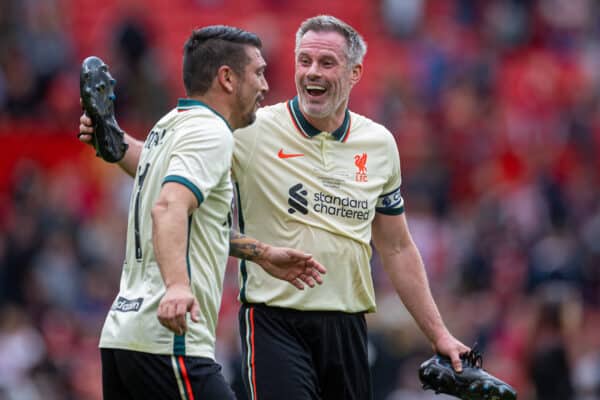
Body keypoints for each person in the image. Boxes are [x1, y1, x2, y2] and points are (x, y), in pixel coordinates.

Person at [80, 15, 468, 400]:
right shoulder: (249, 128)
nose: (312, 72)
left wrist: (439, 334)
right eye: (305, 61)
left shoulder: (379, 144)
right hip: (273, 321)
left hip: (348, 325)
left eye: (327, 63)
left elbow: (397, 246)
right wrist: (114, 144)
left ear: (355, 73)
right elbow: (170, 172)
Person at [84, 25, 326, 400]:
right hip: (169, 340)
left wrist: (263, 254)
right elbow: (168, 207)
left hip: (124, 338)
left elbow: (193, 219)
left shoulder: (169, 125)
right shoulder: (212, 133)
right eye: (258, 72)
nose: (265, 85)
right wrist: (178, 285)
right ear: (227, 78)